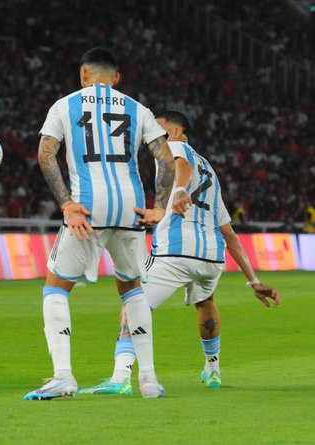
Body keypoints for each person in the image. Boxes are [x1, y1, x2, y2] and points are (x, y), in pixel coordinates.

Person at [79, 111, 280, 396]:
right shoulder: (210, 171)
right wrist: (254, 281)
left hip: (174, 251)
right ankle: (213, 368)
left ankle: (120, 375)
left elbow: (181, 164)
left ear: (174, 133)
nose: (153, 138)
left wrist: (180, 190)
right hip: (211, 257)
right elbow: (230, 234)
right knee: (205, 302)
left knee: (133, 303)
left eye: (158, 131)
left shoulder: (176, 148)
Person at [23, 48, 176, 400]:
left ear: (84, 75)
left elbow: (46, 153)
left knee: (56, 288)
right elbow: (165, 159)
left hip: (90, 208)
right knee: (133, 290)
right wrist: (160, 207)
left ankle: (63, 375)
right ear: (117, 78)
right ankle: (149, 381)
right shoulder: (138, 109)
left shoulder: (65, 104)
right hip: (131, 207)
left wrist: (66, 204)